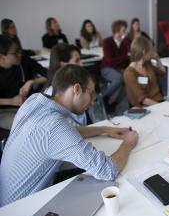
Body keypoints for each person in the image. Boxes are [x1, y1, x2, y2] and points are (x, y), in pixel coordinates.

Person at [0, 64, 139, 207]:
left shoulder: (35, 100)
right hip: (20, 207)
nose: (92, 102)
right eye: (91, 94)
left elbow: (64, 133)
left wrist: (105, 129)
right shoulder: (54, 126)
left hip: (6, 196)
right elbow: (108, 170)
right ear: (77, 89)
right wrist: (128, 144)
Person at [0, 35, 47, 130]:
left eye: (19, 50)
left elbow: (50, 75)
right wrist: (11, 101)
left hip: (28, 106)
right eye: (15, 53)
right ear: (2, 56)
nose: (19, 54)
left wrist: (31, 81)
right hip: (4, 111)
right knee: (30, 125)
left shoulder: (24, 61)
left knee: (49, 119)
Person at [44, 43, 86, 125]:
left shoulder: (74, 86)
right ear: (63, 65)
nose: (82, 64)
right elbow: (72, 128)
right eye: (77, 61)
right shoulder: (52, 94)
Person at [124, 37, 165, 107]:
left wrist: (158, 59)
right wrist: (161, 107)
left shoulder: (147, 64)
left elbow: (162, 72)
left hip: (157, 100)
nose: (152, 52)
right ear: (144, 52)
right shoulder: (129, 73)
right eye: (151, 50)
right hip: (144, 106)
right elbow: (142, 99)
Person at [101, 20, 131, 111]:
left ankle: (114, 103)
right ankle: (104, 98)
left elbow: (131, 52)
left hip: (120, 68)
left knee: (129, 81)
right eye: (124, 30)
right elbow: (110, 61)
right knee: (119, 78)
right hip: (107, 68)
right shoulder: (107, 41)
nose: (126, 32)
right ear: (117, 31)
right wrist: (125, 57)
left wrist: (124, 40)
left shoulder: (126, 41)